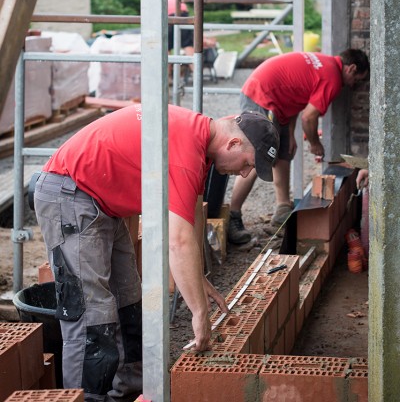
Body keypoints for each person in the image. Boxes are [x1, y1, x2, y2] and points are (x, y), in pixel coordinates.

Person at [33, 103, 279, 401]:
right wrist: (200, 315)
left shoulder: (199, 142)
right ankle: (86, 398)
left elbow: (193, 216)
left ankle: (129, 392)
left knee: (129, 301)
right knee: (92, 316)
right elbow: (177, 240)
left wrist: (197, 275)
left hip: (101, 202)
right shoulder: (187, 152)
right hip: (70, 193)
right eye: (248, 163)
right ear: (234, 142)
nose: (244, 171)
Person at [227, 49, 370, 245]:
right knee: (255, 157)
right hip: (261, 96)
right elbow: (309, 117)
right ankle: (233, 216)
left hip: (276, 101)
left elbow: (295, 94)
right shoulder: (333, 79)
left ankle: (282, 210)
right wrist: (315, 144)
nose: (354, 86)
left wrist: (290, 134)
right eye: (357, 80)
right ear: (351, 68)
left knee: (285, 153)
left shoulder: (325, 64)